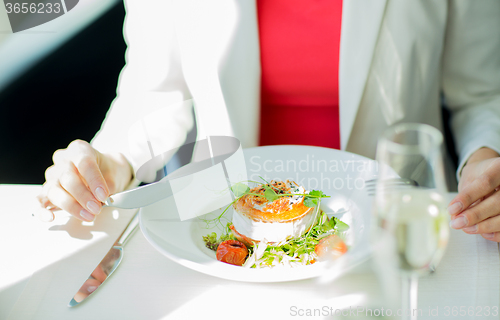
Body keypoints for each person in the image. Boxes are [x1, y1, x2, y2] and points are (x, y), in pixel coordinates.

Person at [37, 0, 500, 242]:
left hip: (392, 225)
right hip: (221, 230)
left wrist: (486, 161)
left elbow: (481, 94)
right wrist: (111, 158)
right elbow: (156, 90)